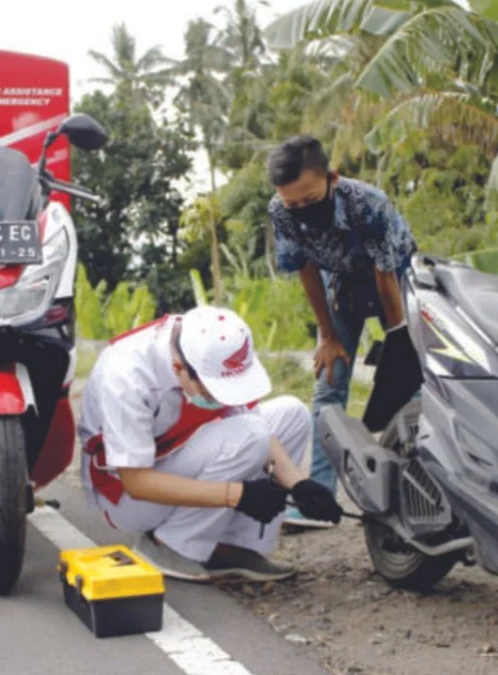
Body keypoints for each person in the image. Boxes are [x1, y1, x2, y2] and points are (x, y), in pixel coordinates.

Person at [78, 306, 344, 582]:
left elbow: (256, 425)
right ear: (179, 369)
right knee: (249, 438)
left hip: (173, 455)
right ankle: (170, 546)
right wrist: (238, 496)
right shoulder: (125, 374)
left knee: (293, 414)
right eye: (215, 392)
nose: (224, 400)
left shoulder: (210, 348)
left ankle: (232, 546)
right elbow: (136, 482)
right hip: (124, 496)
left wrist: (300, 485)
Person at [267, 135, 418, 529]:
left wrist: (400, 340)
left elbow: (386, 275)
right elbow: (306, 269)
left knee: (413, 388)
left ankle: (415, 491)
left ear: (332, 178)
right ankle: (317, 501)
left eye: (310, 200)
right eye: (292, 204)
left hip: (397, 282)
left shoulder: (367, 203)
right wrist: (328, 337)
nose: (301, 211)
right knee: (329, 382)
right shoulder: (281, 211)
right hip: (343, 285)